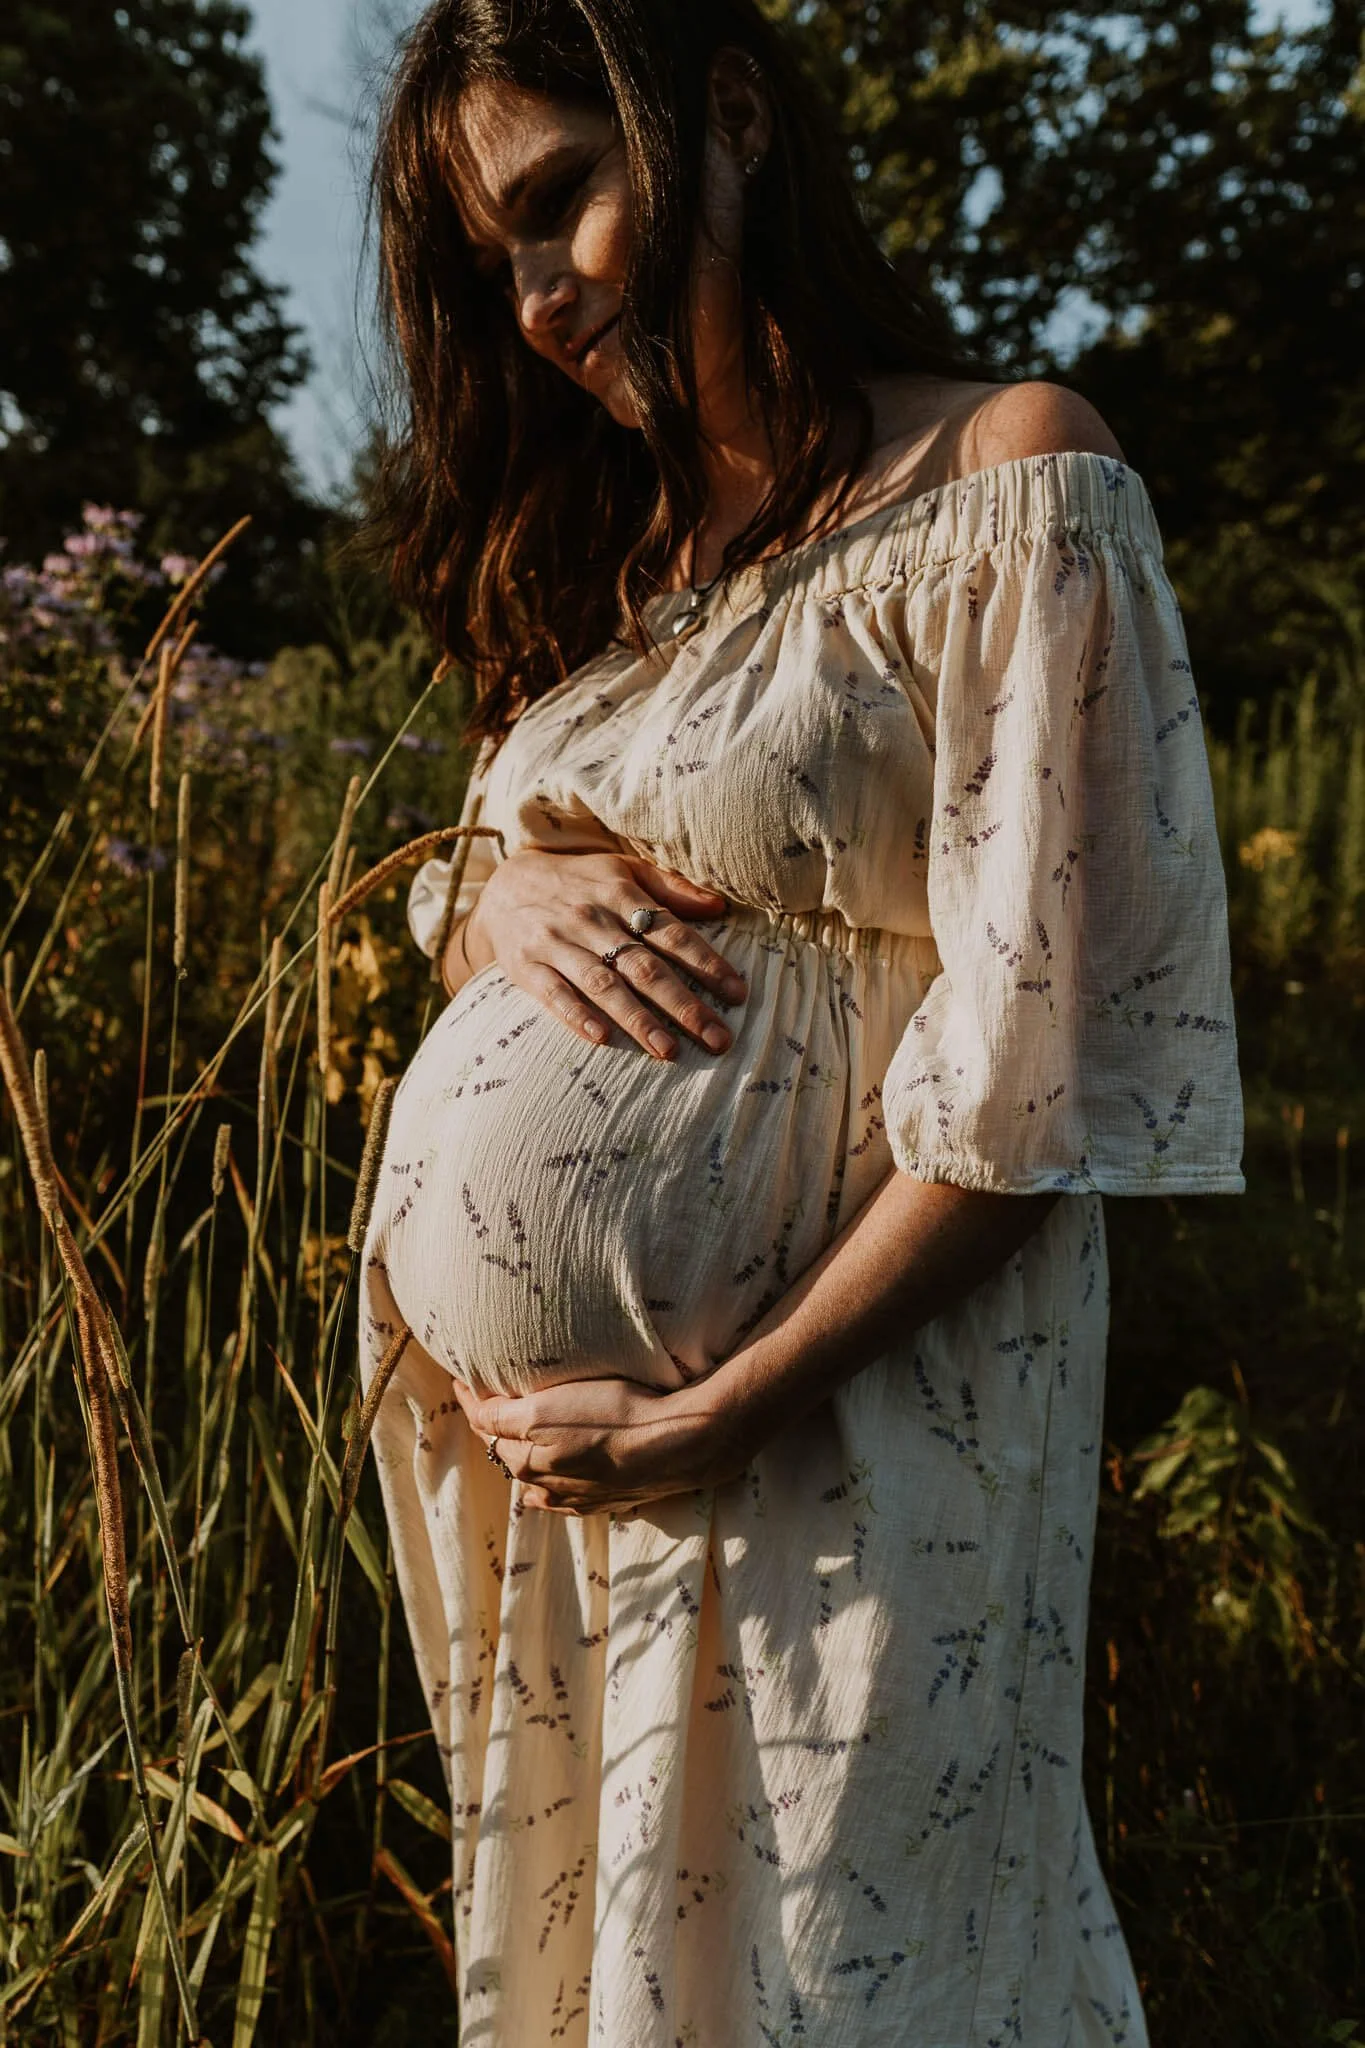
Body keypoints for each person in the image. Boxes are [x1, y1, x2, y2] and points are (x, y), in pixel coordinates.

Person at [359, 3, 1245, 2041]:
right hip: (571, 1494)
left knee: (865, 1969)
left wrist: (723, 1400)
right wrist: (484, 895)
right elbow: (464, 881)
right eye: (493, 262)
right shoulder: (609, 577)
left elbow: (1061, 1058)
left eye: (562, 201)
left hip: (845, 1435)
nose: (539, 297)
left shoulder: (1012, 473)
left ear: (728, 115)